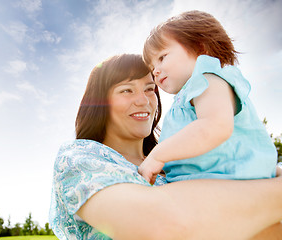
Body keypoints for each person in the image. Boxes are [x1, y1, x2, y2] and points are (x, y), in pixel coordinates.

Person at [49, 53, 282, 239]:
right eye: (126, 90)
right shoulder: (79, 158)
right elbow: (162, 229)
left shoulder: (176, 161)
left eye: (150, 88)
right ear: (100, 103)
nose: (143, 100)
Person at [138, 10, 277, 184]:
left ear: (199, 48)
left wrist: (158, 156)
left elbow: (215, 126)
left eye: (162, 57)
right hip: (210, 184)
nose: (156, 71)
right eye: (152, 68)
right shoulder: (188, 95)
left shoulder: (208, 79)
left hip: (230, 181)